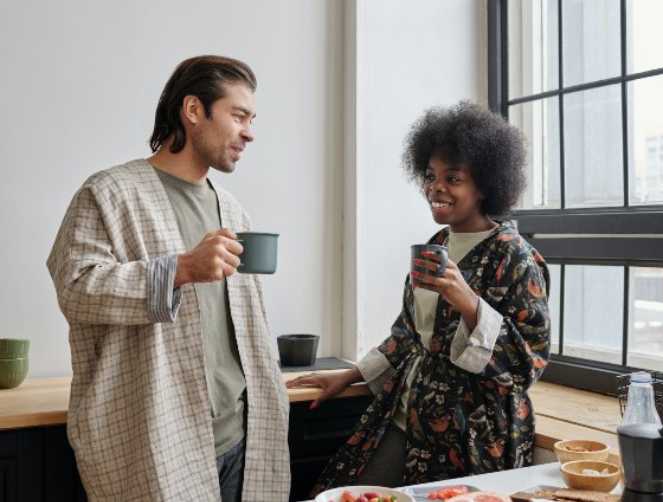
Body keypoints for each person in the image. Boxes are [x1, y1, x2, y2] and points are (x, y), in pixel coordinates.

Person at [47, 55, 289, 502]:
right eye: (238, 116)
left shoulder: (232, 209)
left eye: (252, 119)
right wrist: (180, 269)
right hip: (157, 438)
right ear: (193, 110)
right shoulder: (109, 193)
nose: (249, 132)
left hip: (240, 437)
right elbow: (76, 289)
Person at [287, 102, 551, 493]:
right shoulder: (437, 244)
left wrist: (468, 302)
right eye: (430, 176)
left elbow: (529, 363)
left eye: (453, 178)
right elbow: (408, 334)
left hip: (476, 433)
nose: (436, 188)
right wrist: (345, 377)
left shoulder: (514, 255)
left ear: (485, 186)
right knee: (341, 491)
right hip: (409, 412)